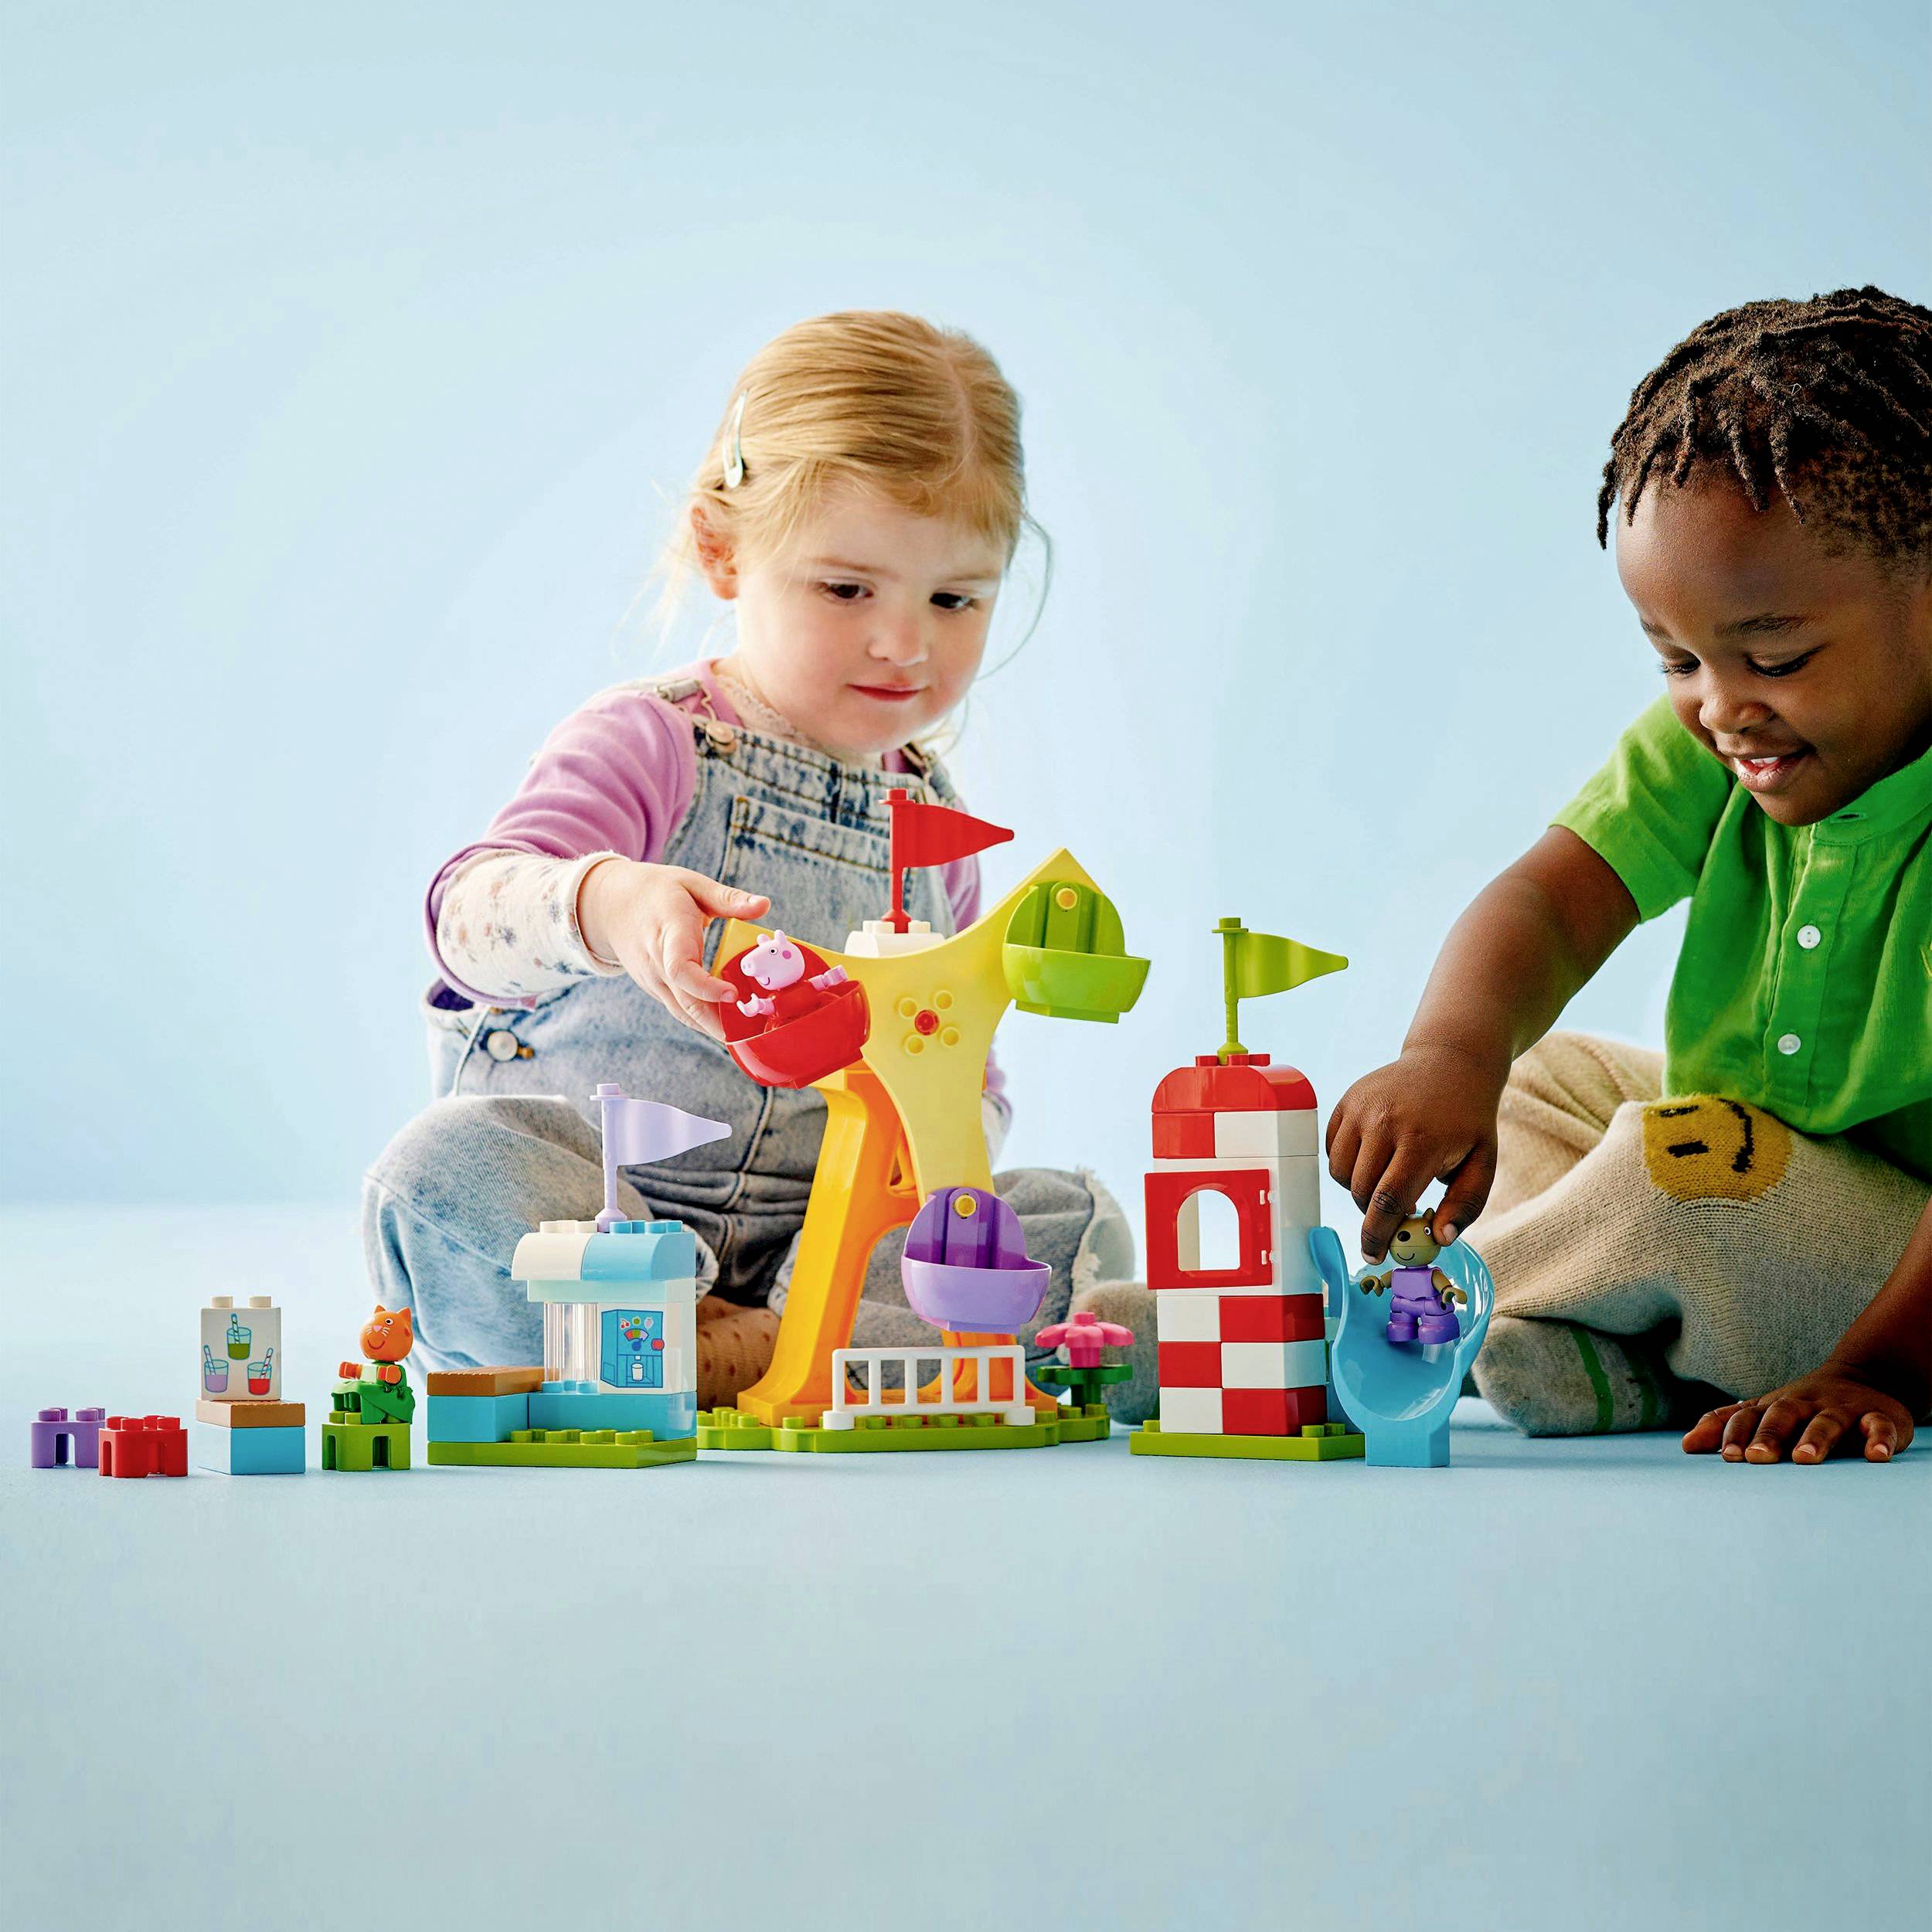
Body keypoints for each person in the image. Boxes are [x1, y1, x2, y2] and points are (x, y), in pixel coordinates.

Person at [363, 311, 1145, 1408]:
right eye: (847, 588)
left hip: (822, 1241)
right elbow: (464, 917)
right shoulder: (654, 741)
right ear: (726, 551)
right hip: (600, 1209)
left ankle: (766, 1343)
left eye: (955, 599)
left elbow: (967, 1071)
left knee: (1069, 1214)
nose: (905, 644)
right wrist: (607, 903)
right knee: (443, 1176)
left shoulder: (931, 821)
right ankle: (787, 1351)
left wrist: (946, 1156)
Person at [1325, 287, 1931, 1463]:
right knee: (1531, 1076)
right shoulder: (1729, 738)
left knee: (1670, 1166)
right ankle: (1586, 1359)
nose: (1719, 706)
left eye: (1776, 657)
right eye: (1676, 660)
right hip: (1759, 1206)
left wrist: (1868, 1373)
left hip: (1901, 1299)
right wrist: (1450, 1054)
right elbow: (1551, 902)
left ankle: (1365, 1331)